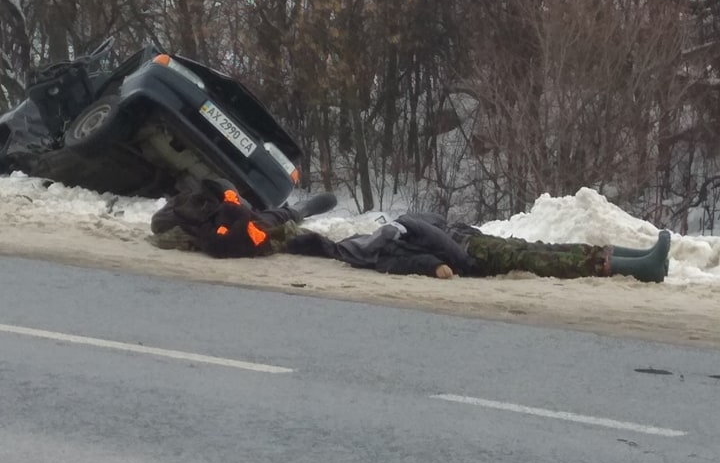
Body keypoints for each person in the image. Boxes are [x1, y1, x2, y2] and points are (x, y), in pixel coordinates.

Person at [282, 212, 671, 283]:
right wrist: (435, 267)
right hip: (471, 255)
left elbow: (430, 223)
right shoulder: (383, 253)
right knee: (539, 259)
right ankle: (638, 267)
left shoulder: (391, 234)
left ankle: (635, 257)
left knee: (543, 246)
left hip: (470, 239)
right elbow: (404, 263)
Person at [149, 178, 337, 258]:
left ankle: (301, 210)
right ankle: (302, 209)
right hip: (251, 223)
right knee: (282, 216)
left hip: (245, 218)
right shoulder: (184, 220)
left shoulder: (179, 214)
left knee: (280, 215)